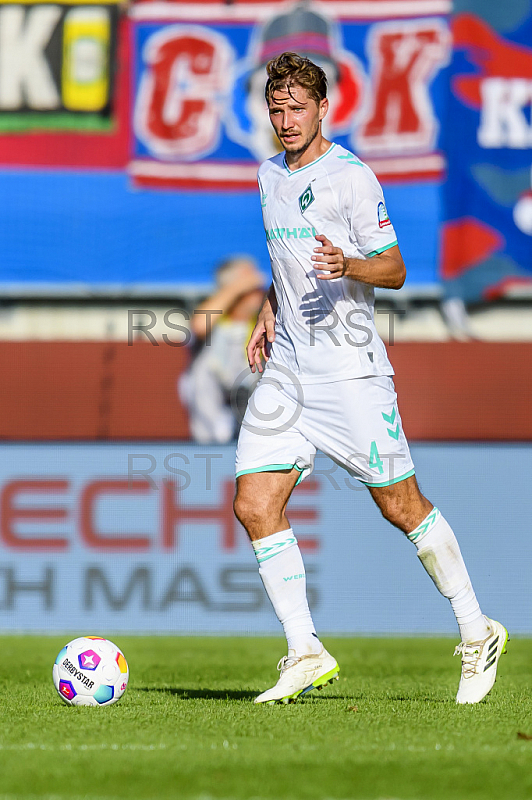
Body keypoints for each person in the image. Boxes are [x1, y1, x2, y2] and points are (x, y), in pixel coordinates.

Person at [233, 52, 508, 705]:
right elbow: (287, 262)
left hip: (350, 373)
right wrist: (270, 311)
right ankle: (304, 650)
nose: (285, 120)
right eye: (276, 109)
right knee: (254, 503)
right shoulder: (269, 176)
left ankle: (477, 631)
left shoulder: (351, 178)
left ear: (323, 108)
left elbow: (395, 268)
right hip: (290, 370)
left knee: (400, 505)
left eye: (297, 108)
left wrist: (350, 264)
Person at [179, 256, 264, 443]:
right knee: (202, 372)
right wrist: (235, 287)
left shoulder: (262, 322)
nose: (260, 288)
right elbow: (199, 326)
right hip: (210, 425)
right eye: (252, 286)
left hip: (250, 416)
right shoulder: (216, 320)